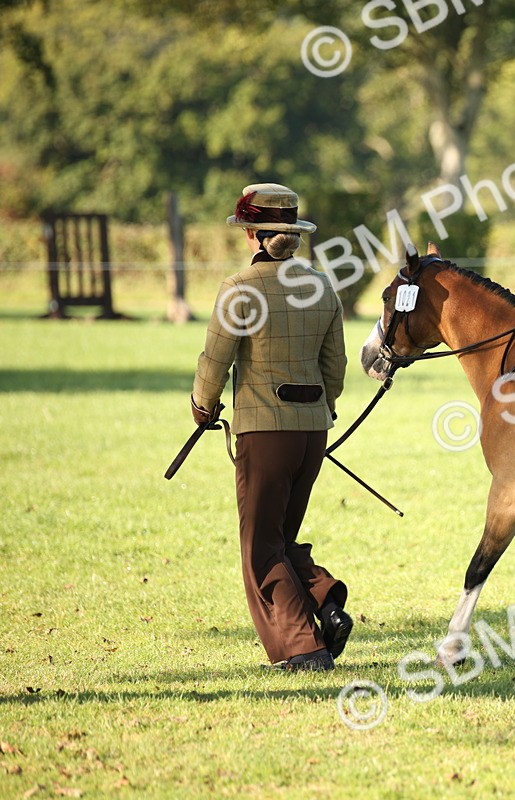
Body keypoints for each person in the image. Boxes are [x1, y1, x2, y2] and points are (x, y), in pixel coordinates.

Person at [191, 183, 353, 671]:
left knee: (260, 547)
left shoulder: (239, 288)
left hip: (264, 433)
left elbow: (214, 360)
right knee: (280, 538)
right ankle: (324, 597)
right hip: (312, 433)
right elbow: (335, 370)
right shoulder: (323, 287)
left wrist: (203, 405)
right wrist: (318, 409)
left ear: (254, 235)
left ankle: (304, 647)